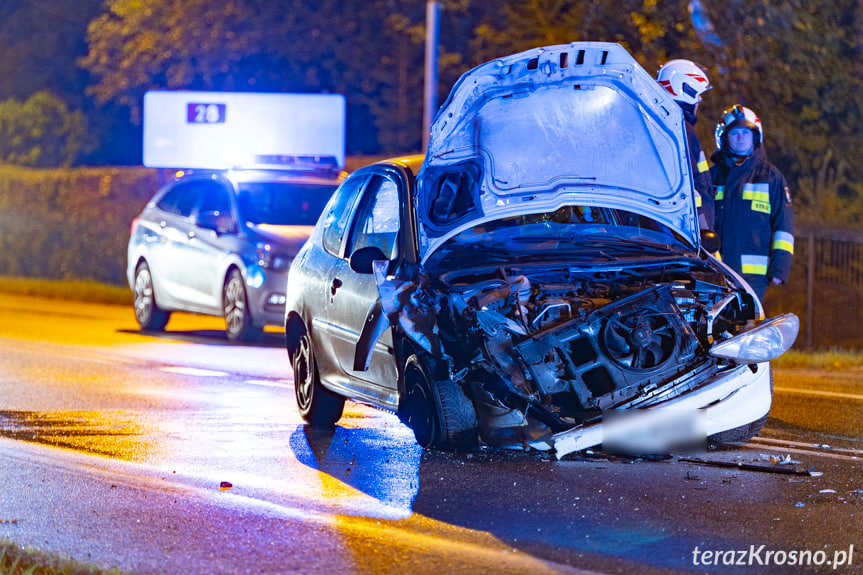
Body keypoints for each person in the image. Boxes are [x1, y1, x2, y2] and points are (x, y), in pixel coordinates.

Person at [710, 105, 794, 303]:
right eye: (735, 133)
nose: (741, 138)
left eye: (746, 132)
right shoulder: (712, 177)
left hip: (754, 276)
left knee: (745, 327)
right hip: (714, 269)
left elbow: (784, 225)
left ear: (756, 137)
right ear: (724, 138)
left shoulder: (771, 177)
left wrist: (779, 268)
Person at [656, 59, 715, 230]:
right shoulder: (681, 130)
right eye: (697, 93)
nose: (700, 99)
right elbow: (693, 187)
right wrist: (703, 229)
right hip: (686, 231)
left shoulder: (662, 126)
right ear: (685, 89)